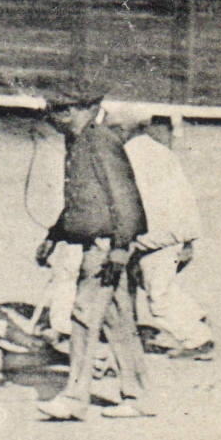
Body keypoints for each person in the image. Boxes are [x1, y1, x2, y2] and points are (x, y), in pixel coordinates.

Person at [34, 87, 150, 421]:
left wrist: (120, 249)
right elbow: (83, 200)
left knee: (84, 316)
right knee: (118, 322)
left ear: (76, 110)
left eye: (57, 111)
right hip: (100, 243)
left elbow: (125, 197)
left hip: (106, 245)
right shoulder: (78, 141)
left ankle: (75, 397)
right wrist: (54, 236)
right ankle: (139, 395)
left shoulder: (100, 141)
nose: (53, 119)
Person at [104, 105, 212, 359]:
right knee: (154, 283)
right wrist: (188, 239)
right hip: (173, 233)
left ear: (122, 129)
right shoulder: (160, 151)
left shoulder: (126, 155)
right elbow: (184, 196)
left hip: (154, 236)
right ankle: (195, 315)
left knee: (159, 297)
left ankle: (198, 340)